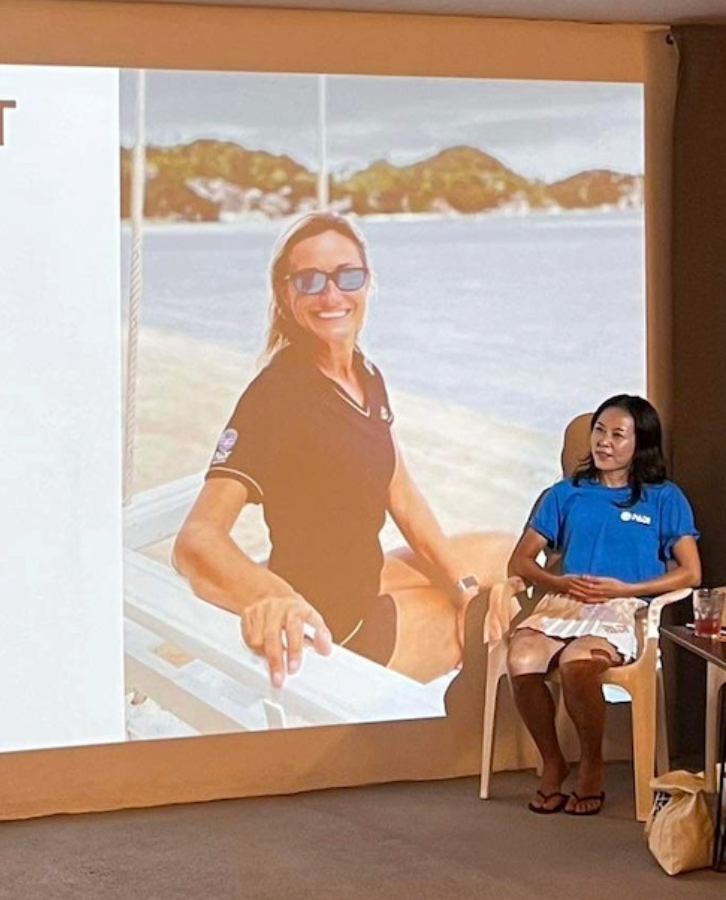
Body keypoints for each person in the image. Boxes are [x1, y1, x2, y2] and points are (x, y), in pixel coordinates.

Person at [173, 211, 497, 688]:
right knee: (481, 622)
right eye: (310, 281)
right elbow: (197, 539)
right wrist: (271, 597)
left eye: (348, 276)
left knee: (503, 558)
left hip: (365, 577)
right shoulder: (278, 396)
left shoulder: (364, 374)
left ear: (367, 282)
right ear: (287, 295)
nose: (331, 296)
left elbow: (401, 493)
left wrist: (464, 586)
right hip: (335, 626)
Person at [504, 395, 700, 816]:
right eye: (599, 431)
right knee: (521, 658)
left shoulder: (664, 498)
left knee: (578, 664)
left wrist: (628, 588)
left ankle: (591, 763)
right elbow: (520, 560)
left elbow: (690, 573)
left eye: (617, 434)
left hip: (622, 608)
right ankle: (553, 763)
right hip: (563, 603)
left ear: (640, 443)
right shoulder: (565, 494)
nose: (604, 442)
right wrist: (557, 581)